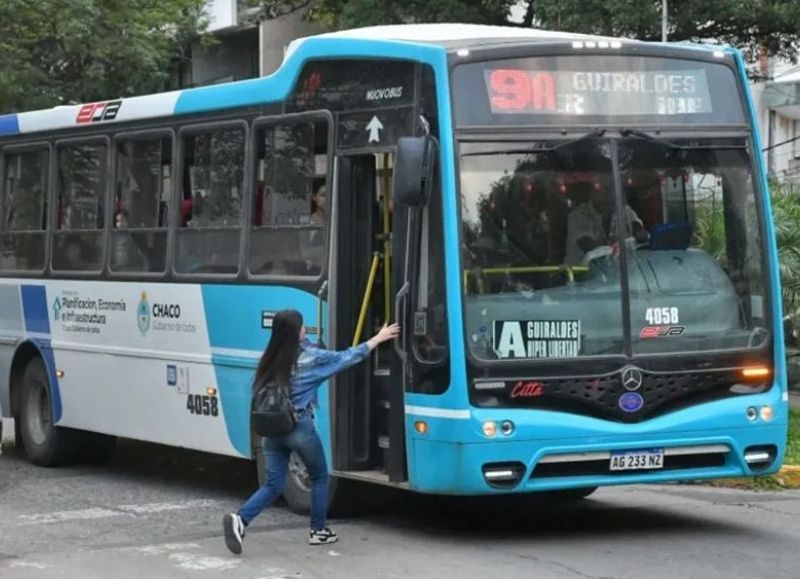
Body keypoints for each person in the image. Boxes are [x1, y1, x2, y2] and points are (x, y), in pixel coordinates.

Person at [223, 310, 400, 554]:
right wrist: (378, 338)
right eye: (303, 326)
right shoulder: (311, 358)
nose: (305, 329)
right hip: (298, 426)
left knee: (274, 484)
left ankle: (240, 519)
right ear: (296, 332)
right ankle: (318, 530)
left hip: (272, 429)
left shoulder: (270, 357)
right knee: (319, 477)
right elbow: (348, 357)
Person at [564, 182, 648, 265]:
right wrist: (618, 248)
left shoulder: (624, 210)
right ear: (593, 194)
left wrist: (640, 234)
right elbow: (588, 246)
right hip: (580, 274)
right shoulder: (578, 215)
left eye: (612, 191)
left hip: (618, 273)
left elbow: (640, 232)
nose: (609, 195)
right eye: (604, 190)